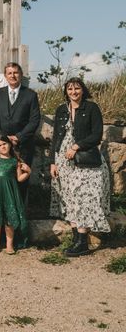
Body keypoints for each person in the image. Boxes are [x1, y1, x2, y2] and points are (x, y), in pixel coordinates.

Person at [49, 77, 111, 257]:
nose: (73, 92)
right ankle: (77, 240)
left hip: (85, 160)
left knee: (84, 196)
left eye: (77, 88)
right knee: (70, 198)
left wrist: (76, 147)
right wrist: (53, 162)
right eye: (70, 89)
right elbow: (55, 138)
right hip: (63, 161)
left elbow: (97, 135)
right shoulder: (61, 110)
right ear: (66, 91)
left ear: (83, 90)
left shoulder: (91, 108)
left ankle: (82, 242)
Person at [0, 62, 41, 217]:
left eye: (16, 73)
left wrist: (19, 137)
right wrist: (3, 139)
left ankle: (19, 223)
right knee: (2, 184)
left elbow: (34, 120)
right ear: (5, 76)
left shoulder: (30, 95)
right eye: (9, 73)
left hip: (23, 146)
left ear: (20, 74)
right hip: (2, 148)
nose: (13, 76)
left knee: (20, 184)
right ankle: (2, 221)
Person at [0, 135, 31, 254]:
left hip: (10, 191)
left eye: (4, 144)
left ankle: (9, 244)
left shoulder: (14, 161)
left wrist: (28, 172)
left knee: (9, 218)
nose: (3, 146)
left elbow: (20, 178)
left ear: (10, 144)